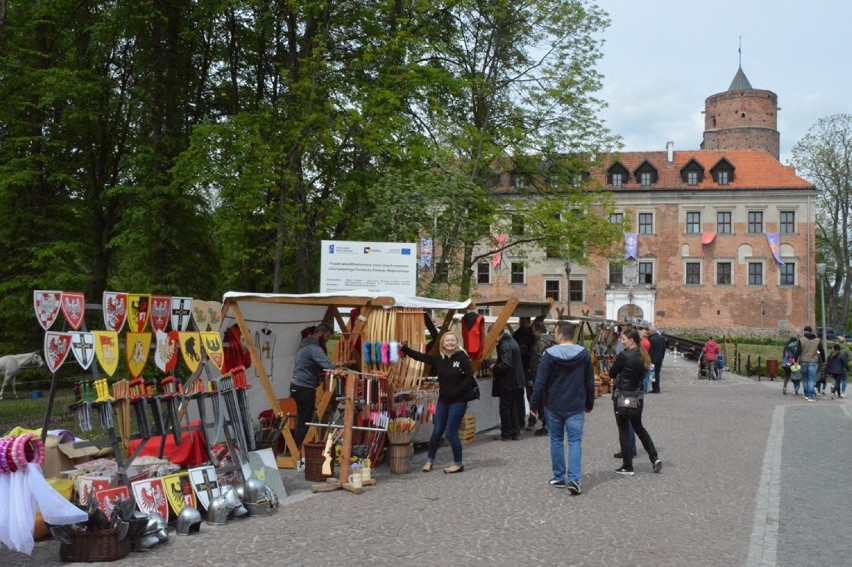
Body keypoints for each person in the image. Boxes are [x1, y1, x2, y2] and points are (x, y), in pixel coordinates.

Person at [530, 321, 595, 495]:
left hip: (554, 404)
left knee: (556, 440)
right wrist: (589, 403)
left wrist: (534, 405)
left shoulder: (549, 355)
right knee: (574, 442)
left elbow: (540, 382)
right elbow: (589, 381)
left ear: (559, 334)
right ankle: (574, 479)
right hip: (575, 404)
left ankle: (559, 477)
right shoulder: (583, 354)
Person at [401, 332, 475, 473]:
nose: (450, 342)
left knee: (451, 433)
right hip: (443, 401)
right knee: (436, 432)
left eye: (453, 340)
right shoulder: (439, 359)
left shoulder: (462, 358)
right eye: (447, 340)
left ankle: (458, 463)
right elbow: (421, 357)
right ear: (443, 343)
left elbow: (469, 378)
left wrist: (457, 391)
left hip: (458, 401)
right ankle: (429, 461)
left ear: (457, 342)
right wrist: (405, 349)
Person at [608, 327, 663, 476]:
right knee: (639, 428)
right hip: (637, 396)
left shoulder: (624, 356)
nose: (621, 341)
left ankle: (627, 466)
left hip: (623, 396)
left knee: (624, 430)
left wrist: (615, 366)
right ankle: (654, 458)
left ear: (631, 341)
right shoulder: (643, 355)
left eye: (623, 339)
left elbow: (612, 373)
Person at [290, 323, 341, 448]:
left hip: (296, 385)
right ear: (321, 333)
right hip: (305, 388)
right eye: (327, 336)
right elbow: (328, 365)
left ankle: (298, 447)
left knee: (301, 419)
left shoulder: (305, 345)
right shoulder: (314, 348)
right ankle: (301, 449)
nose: (328, 340)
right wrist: (343, 367)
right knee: (305, 420)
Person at [492, 328, 526, 440]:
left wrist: (494, 367)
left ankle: (506, 433)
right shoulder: (512, 341)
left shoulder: (504, 344)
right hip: (516, 381)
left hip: (507, 382)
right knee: (513, 407)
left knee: (505, 408)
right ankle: (515, 432)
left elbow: (506, 364)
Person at [528, 320, 555, 436]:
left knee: (542, 402)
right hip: (553, 377)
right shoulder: (553, 341)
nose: (533, 333)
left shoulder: (540, 343)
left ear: (537, 330)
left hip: (543, 378)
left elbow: (536, 364)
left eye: (533, 331)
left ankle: (547, 426)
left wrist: (532, 378)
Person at [513, 317, 536, 429]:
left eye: (524, 322)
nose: (522, 324)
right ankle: (521, 419)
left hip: (529, 368)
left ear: (528, 322)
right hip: (520, 367)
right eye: (520, 322)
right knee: (520, 394)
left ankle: (532, 417)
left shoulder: (532, 335)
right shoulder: (517, 334)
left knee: (530, 395)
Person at [798, 325, 825, 401]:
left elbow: (798, 352)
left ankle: (806, 394)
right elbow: (822, 351)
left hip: (803, 361)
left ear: (804, 331)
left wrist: (794, 361)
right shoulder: (818, 340)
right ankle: (810, 395)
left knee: (805, 378)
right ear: (811, 331)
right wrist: (823, 360)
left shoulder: (801, 340)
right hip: (813, 362)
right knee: (811, 379)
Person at [648, 324, 666, 393]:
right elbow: (664, 348)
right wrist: (662, 357)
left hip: (653, 359)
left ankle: (655, 388)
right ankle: (657, 388)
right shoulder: (662, 338)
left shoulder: (651, 339)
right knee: (657, 374)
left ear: (651, 331)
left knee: (653, 374)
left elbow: (651, 350)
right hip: (659, 359)